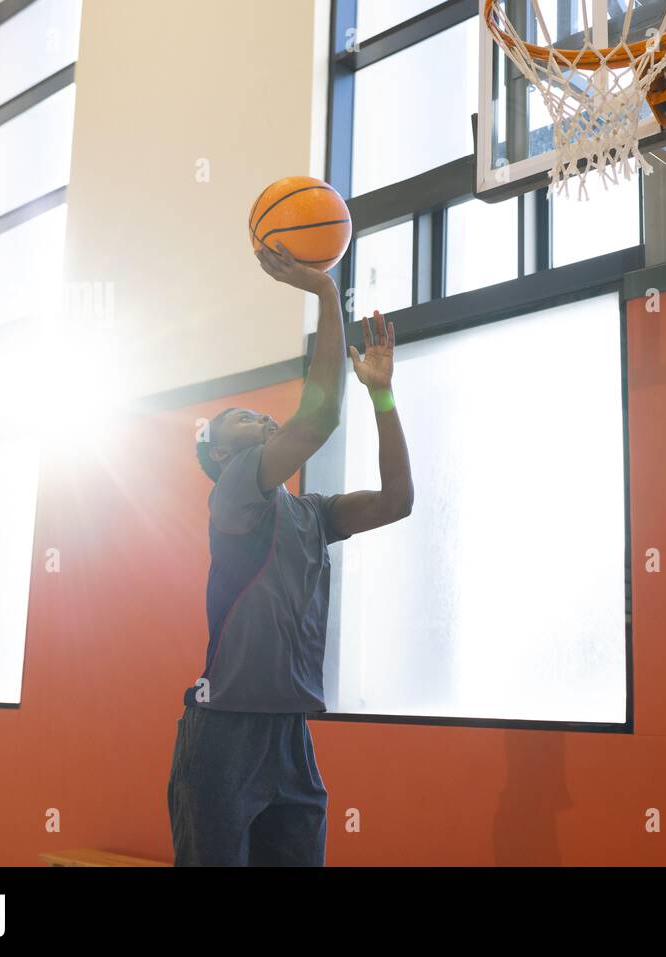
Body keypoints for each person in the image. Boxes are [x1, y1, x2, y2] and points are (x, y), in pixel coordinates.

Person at [168, 241, 413, 866]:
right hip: (223, 729)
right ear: (224, 456)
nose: (261, 419)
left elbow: (396, 500)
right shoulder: (232, 496)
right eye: (244, 420)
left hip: (289, 733)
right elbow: (319, 416)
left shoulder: (310, 513)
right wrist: (327, 293)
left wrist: (382, 398)